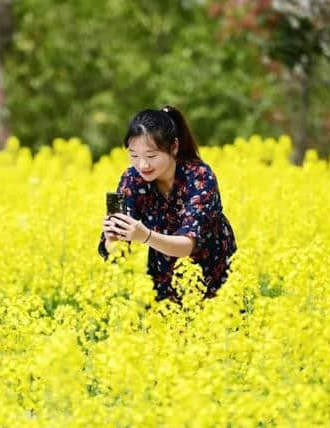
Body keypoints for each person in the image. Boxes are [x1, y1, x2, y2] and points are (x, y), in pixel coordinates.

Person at [97, 105, 237, 304]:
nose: (143, 165)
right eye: (134, 155)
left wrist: (144, 235)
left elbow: (188, 245)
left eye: (151, 156)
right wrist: (113, 241)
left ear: (174, 147)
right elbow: (116, 253)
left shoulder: (199, 177)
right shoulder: (131, 179)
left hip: (214, 281)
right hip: (163, 281)